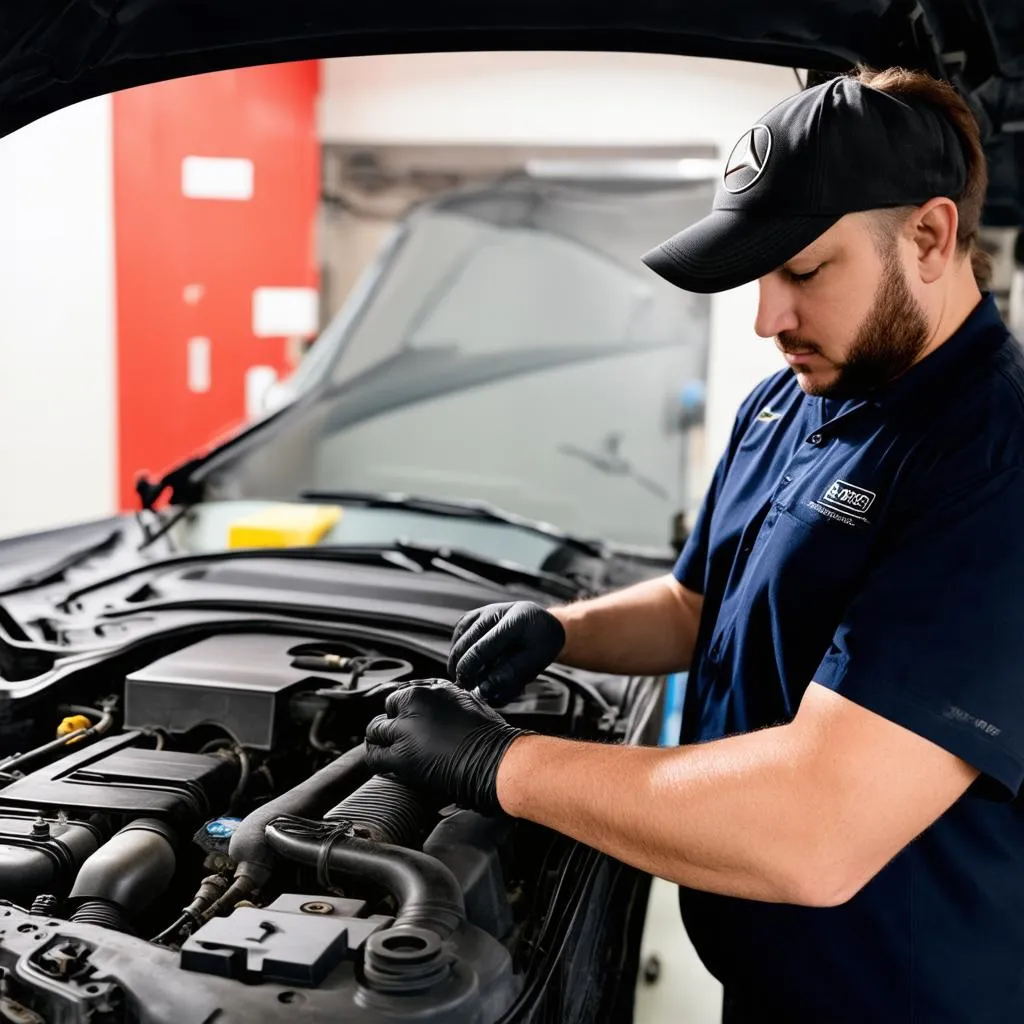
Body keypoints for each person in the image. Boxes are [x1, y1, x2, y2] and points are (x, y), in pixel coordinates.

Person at [365, 66, 1024, 1022]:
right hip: (765, 972)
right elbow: (698, 607)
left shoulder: (991, 468)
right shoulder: (796, 400)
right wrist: (560, 630)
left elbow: (816, 828)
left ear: (929, 235)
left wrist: (498, 765)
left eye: (802, 270)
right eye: (760, 275)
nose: (768, 320)